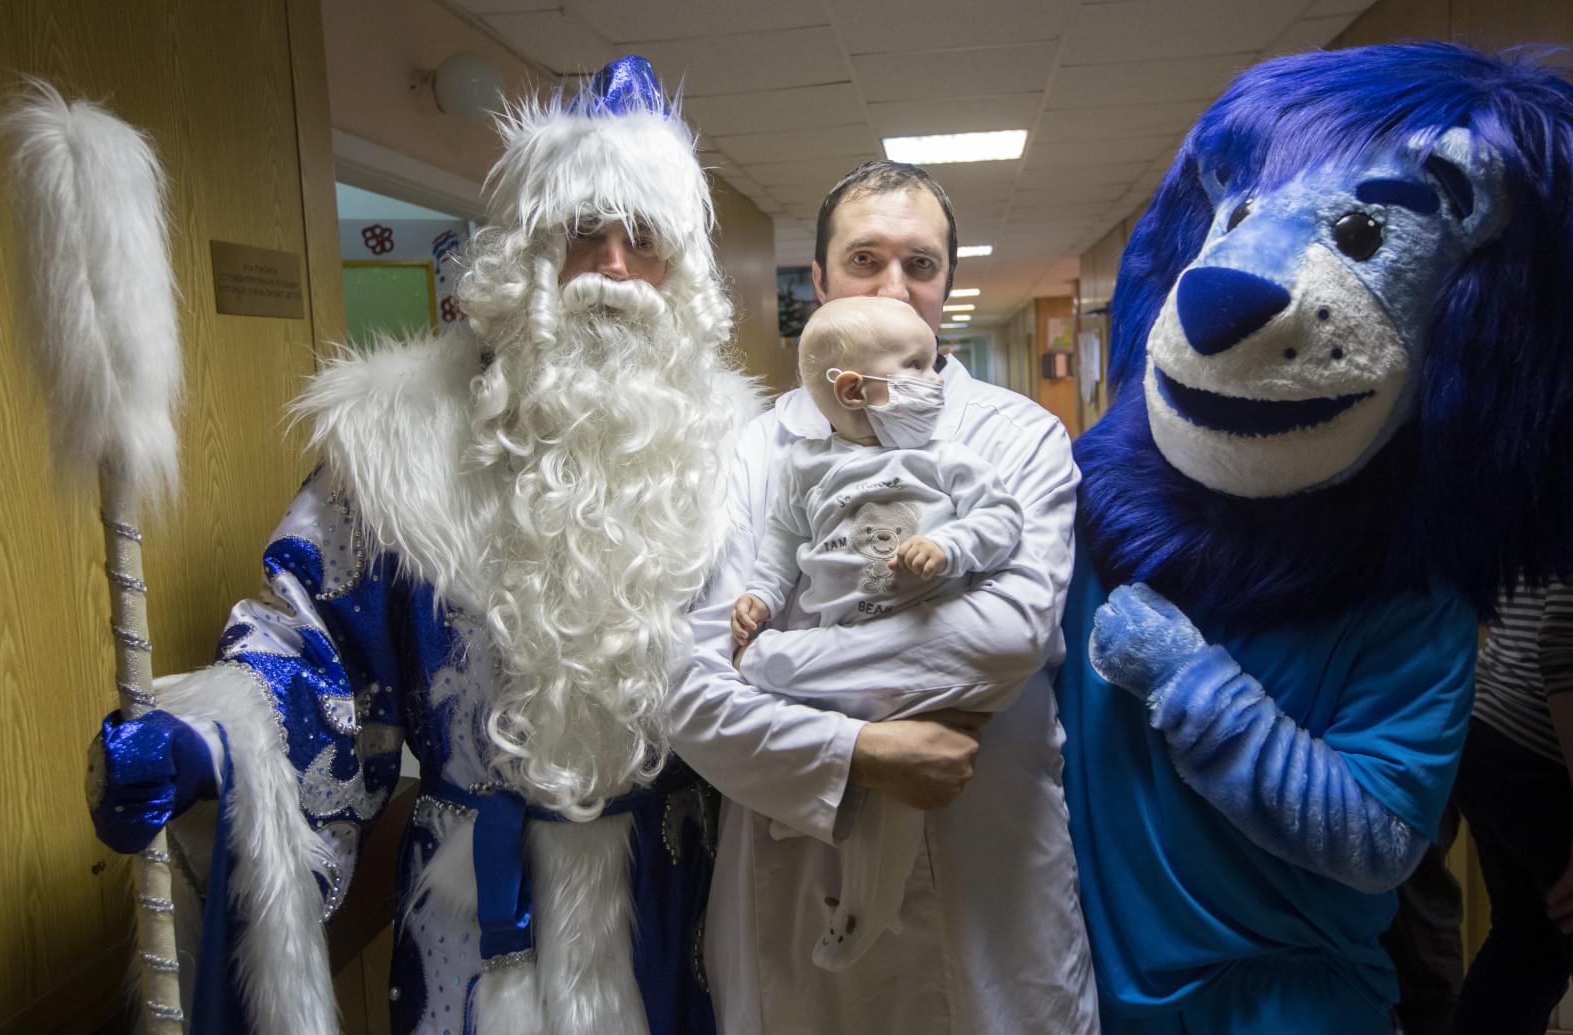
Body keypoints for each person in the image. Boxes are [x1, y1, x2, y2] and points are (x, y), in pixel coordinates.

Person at [83, 55, 759, 1035]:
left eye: (643, 238)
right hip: (465, 928)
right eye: (580, 234)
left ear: (681, 271)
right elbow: (309, 657)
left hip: (678, 903)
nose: (613, 267)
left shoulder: (744, 458)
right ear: (520, 259)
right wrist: (202, 739)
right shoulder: (393, 453)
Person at [1059, 43, 1573, 1035]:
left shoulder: (1408, 604)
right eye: (1239, 216)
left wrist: (1188, 684)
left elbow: (1377, 834)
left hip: (1287, 1005)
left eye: (1359, 229)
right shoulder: (1087, 512)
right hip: (1076, 986)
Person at [672, 160, 1099, 1034]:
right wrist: (857, 748)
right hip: (796, 897)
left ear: (950, 281)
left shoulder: (1016, 436)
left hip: (992, 877)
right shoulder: (752, 454)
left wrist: (780, 664)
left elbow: (999, 641)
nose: (896, 289)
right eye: (865, 260)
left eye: (922, 264)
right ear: (820, 281)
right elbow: (689, 691)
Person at [730, 294, 1023, 970]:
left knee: (888, 810)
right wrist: (759, 596)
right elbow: (780, 545)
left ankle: (867, 910)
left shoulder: (943, 458)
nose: (937, 379)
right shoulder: (802, 465)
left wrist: (950, 545)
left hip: (911, 654)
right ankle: (815, 819)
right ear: (855, 388)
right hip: (833, 655)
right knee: (815, 742)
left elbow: (1003, 518)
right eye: (918, 366)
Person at [1451, 581, 1573, 1035]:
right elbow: (1562, 647)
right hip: (1538, 752)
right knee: (1529, 946)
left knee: (1528, 946)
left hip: (1492, 735)